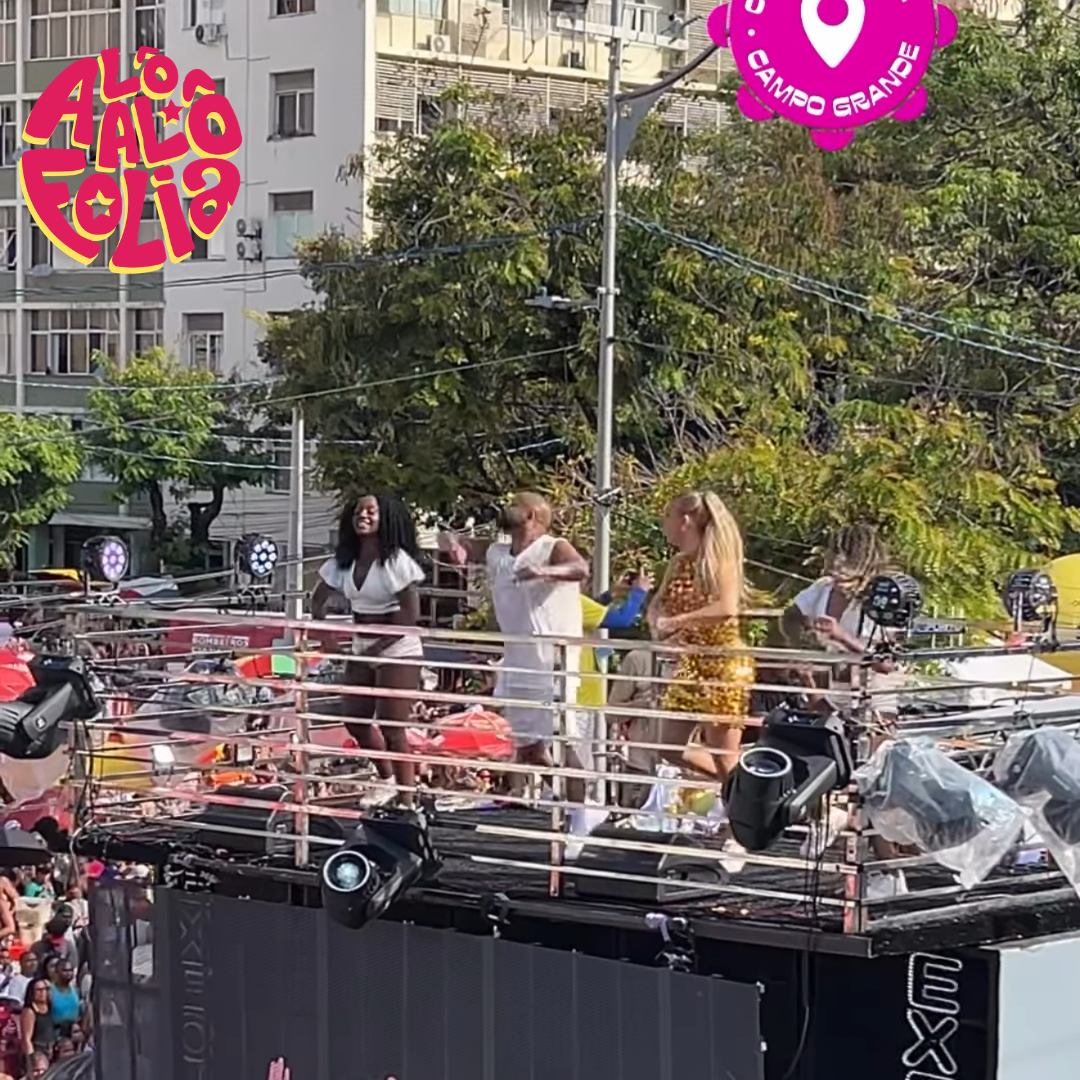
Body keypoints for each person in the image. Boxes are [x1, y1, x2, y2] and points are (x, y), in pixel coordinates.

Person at [780, 523, 909, 897]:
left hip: (873, 701)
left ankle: (889, 872)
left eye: (840, 555)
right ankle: (863, 859)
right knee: (827, 768)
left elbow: (887, 661)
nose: (832, 562)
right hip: (831, 693)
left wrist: (841, 636)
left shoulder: (882, 595)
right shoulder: (821, 589)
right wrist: (804, 640)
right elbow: (789, 616)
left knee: (871, 786)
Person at [440, 493, 589, 795]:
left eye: (514, 504)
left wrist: (545, 572)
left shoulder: (551, 547)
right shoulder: (497, 551)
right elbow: (462, 545)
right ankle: (568, 802)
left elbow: (580, 568)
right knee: (529, 749)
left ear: (531, 514)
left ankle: (581, 809)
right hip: (517, 662)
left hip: (551, 663)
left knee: (563, 741)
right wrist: (453, 543)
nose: (505, 508)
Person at [311, 495, 426, 806]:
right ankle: (386, 779)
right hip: (362, 644)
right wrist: (326, 636)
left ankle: (406, 799)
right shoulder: (343, 562)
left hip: (398, 646)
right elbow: (317, 601)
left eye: (371, 511)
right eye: (358, 511)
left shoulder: (396, 561)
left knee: (392, 727)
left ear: (385, 519)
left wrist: (379, 647)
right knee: (355, 720)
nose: (363, 516)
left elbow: (410, 614)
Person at [648, 492, 755, 787]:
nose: (664, 525)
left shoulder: (720, 561)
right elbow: (659, 602)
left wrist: (677, 621)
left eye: (668, 517)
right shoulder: (678, 563)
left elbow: (727, 608)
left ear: (684, 521)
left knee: (724, 755)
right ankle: (742, 788)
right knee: (670, 747)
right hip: (691, 663)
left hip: (722, 663)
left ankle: (744, 797)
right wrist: (657, 621)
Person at [21, 980, 55, 1061]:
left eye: (45, 989)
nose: (42, 992)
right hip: (37, 1051)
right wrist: (30, 1059)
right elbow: (27, 1039)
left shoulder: (49, 1007)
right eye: (39, 990)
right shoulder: (29, 1011)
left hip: (50, 1049)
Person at [47, 961, 80, 1036]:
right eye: (64, 970)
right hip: (56, 1032)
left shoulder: (75, 990)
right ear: (56, 972)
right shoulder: (50, 991)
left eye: (70, 970)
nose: (68, 973)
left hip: (73, 1033)